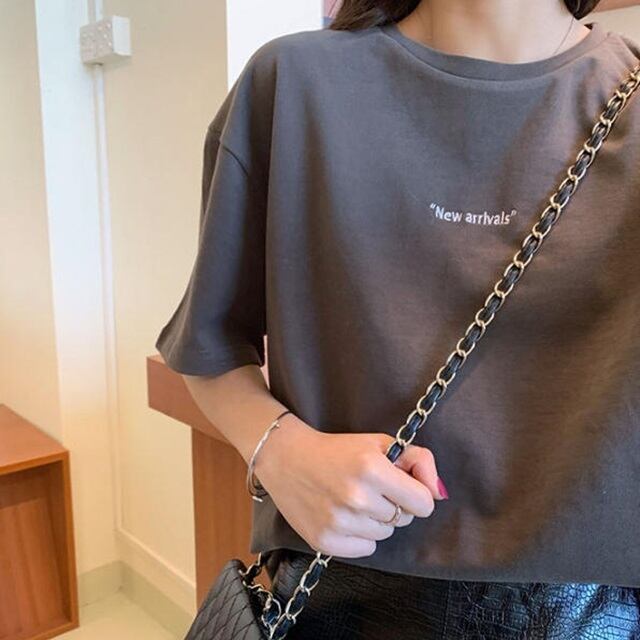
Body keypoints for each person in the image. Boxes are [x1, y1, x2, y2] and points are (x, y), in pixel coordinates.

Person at [155, 0, 640, 637]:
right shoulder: (293, 84)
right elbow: (208, 341)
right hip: (335, 598)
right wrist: (279, 450)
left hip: (605, 615)